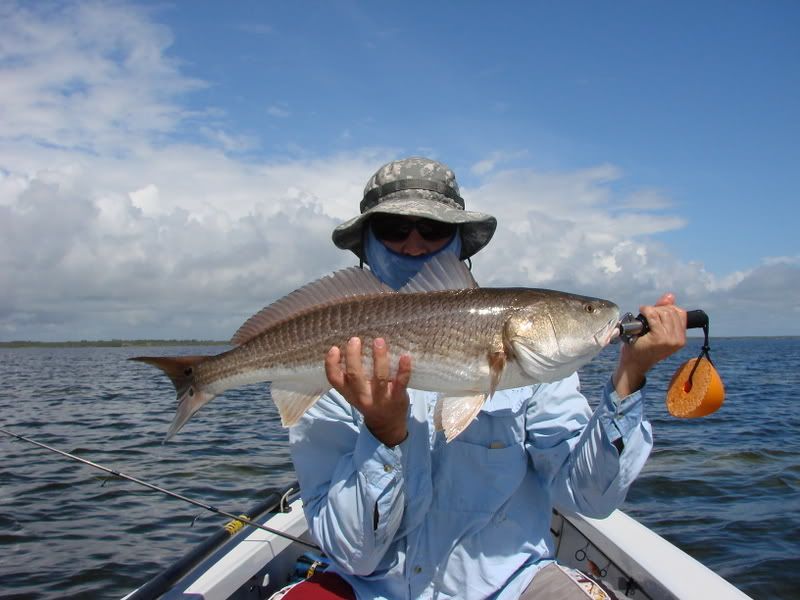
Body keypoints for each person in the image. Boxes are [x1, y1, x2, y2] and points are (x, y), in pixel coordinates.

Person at [287, 157, 687, 599]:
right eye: (393, 229)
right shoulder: (331, 366)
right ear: (365, 244)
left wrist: (629, 377)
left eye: (434, 228)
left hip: (509, 586)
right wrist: (384, 434)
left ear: (461, 242)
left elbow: (590, 498)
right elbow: (353, 555)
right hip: (371, 588)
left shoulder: (539, 368)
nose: (414, 245)